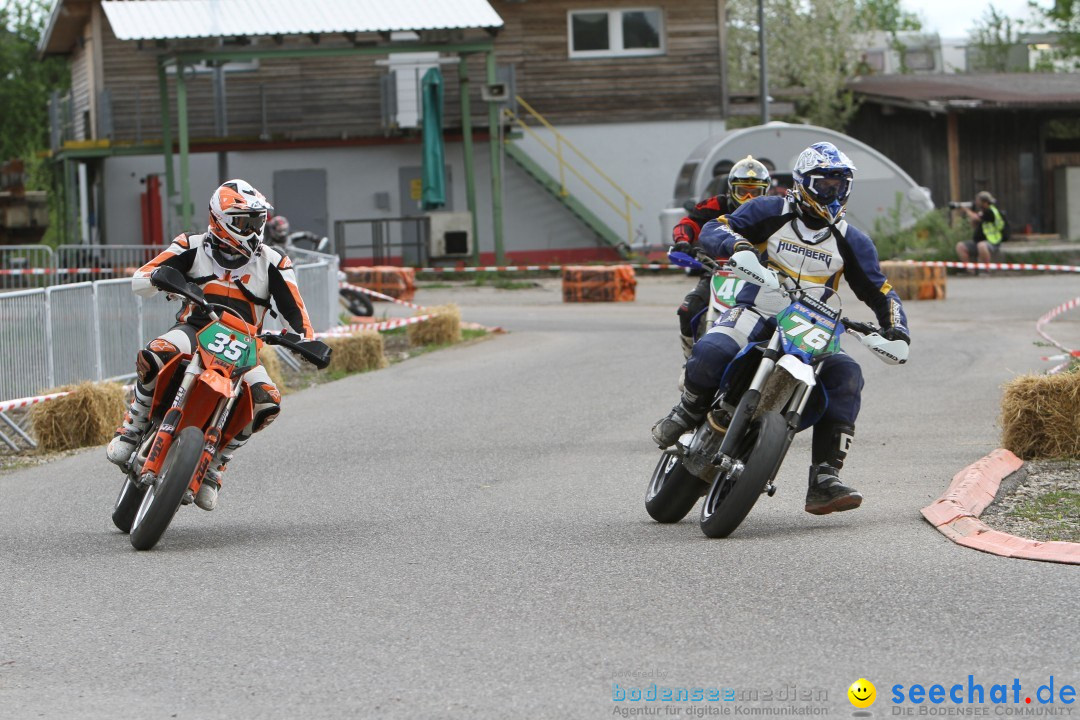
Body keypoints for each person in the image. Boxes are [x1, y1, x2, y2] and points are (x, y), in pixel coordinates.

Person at [651, 142, 911, 515]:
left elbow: (879, 289)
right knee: (713, 349)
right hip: (760, 306)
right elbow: (715, 226)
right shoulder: (770, 210)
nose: (833, 193)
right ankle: (689, 410)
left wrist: (897, 329)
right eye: (825, 185)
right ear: (804, 183)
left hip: (814, 324)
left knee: (848, 375)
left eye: (841, 185)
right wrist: (737, 246)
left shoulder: (852, 239)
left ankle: (825, 476)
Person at [106, 179, 315, 511]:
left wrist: (307, 341)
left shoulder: (275, 261)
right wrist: (159, 277)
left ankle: (216, 463)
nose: (254, 228)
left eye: (257, 220)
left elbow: (297, 312)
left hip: (244, 346)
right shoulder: (192, 244)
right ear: (221, 219)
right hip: (194, 329)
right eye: (245, 221)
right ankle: (134, 425)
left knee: (267, 401)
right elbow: (143, 276)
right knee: (156, 352)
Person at [670, 156, 771, 359]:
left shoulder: (774, 210)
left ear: (765, 192)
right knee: (688, 309)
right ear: (731, 189)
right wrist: (683, 241)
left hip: (761, 277)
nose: (749, 198)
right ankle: (690, 359)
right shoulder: (716, 205)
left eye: (755, 192)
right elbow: (689, 222)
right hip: (717, 271)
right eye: (743, 191)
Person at [954, 191, 1006, 266]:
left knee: (981, 246)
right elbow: (974, 225)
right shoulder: (982, 212)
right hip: (978, 241)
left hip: (992, 241)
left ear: (984, 202)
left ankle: (986, 269)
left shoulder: (991, 211)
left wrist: (966, 210)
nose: (976, 203)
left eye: (978, 201)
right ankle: (970, 270)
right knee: (960, 246)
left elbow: (976, 218)